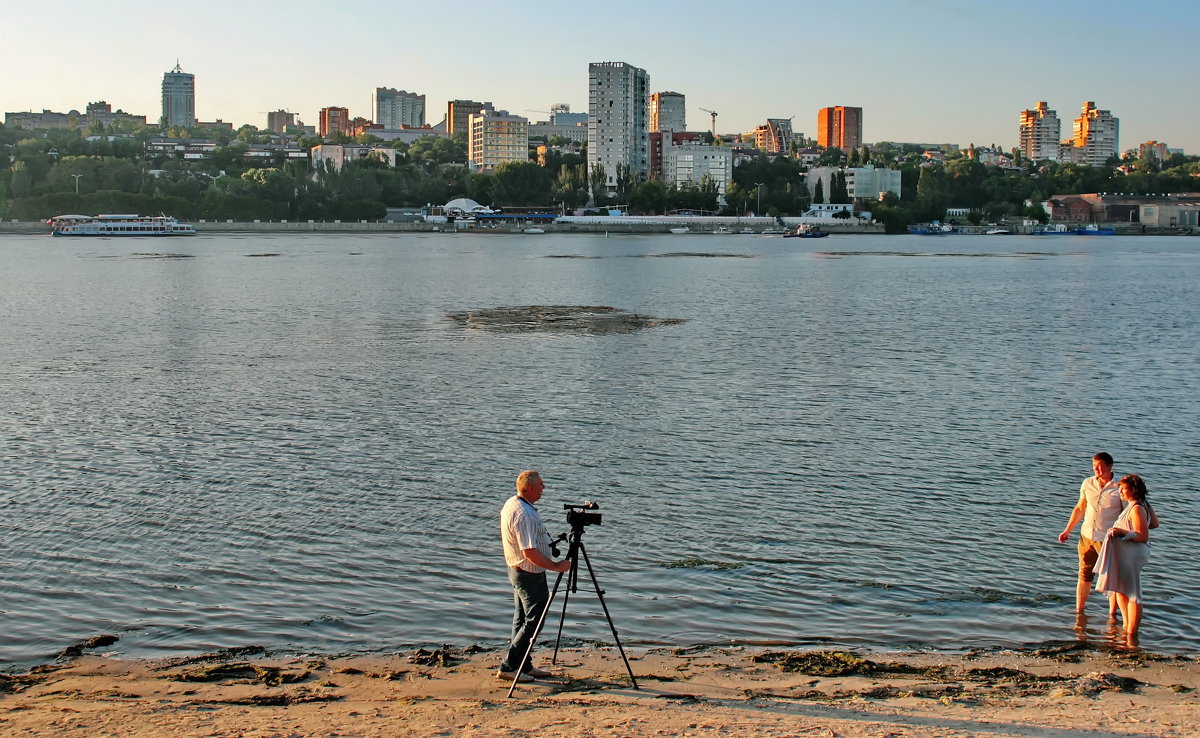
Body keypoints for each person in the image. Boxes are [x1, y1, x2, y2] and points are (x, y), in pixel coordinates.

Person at [497, 470, 570, 681]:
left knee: (521, 619)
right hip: (528, 573)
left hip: (518, 570)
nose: (543, 487)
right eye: (540, 484)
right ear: (529, 488)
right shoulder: (524, 514)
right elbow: (529, 551)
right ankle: (510, 666)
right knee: (534, 621)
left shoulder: (513, 503)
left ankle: (522, 664)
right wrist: (555, 566)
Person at [1058, 453, 1123, 615]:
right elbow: (1080, 508)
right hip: (1087, 536)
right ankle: (1079, 611)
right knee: (1084, 574)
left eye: (1100, 467)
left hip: (1109, 540)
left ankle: (1112, 614)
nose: (1097, 470)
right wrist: (1067, 530)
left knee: (1111, 578)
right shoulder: (1088, 483)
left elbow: (1126, 514)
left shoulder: (1120, 486)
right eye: (1094, 466)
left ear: (1110, 467)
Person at [1095, 474, 1152, 646]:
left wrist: (1122, 532)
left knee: (1133, 592)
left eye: (1123, 488)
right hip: (1125, 552)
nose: (1120, 491)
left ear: (1133, 490)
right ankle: (1126, 626)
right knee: (1120, 589)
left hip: (1132, 553)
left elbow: (1143, 535)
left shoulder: (1137, 508)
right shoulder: (1141, 506)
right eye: (1119, 488)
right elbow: (1155, 523)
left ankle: (1132, 634)